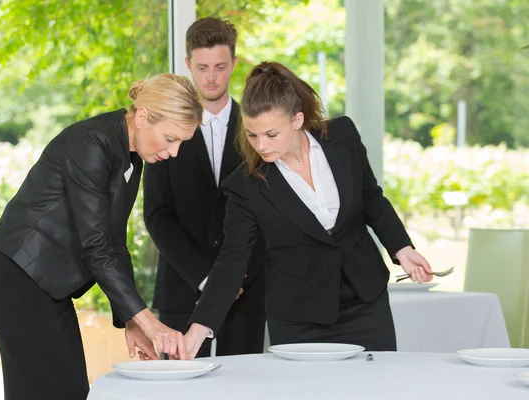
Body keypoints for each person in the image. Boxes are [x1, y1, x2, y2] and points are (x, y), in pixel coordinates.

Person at [183, 61, 433, 358]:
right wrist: (199, 327)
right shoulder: (245, 185)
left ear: (297, 120)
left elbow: (370, 198)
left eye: (271, 134)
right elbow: (233, 260)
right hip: (298, 318)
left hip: (365, 303)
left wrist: (402, 248)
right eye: (252, 135)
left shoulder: (343, 136)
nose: (260, 145)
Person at [0, 73, 203, 399]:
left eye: (181, 142)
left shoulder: (130, 156)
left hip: (46, 290)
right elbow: (96, 246)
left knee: (67, 392)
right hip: (18, 285)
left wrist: (132, 321)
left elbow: (115, 242)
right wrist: (149, 322)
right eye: (171, 138)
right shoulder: (92, 142)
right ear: (142, 117)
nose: (174, 152)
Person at [143, 17, 266, 358]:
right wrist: (205, 278)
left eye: (220, 67)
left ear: (234, 64)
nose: (211, 77)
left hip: (248, 292)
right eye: (202, 67)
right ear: (188, 65)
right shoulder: (164, 128)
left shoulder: (259, 131)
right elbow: (157, 214)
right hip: (181, 290)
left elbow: (269, 213)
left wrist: (235, 280)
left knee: (244, 390)